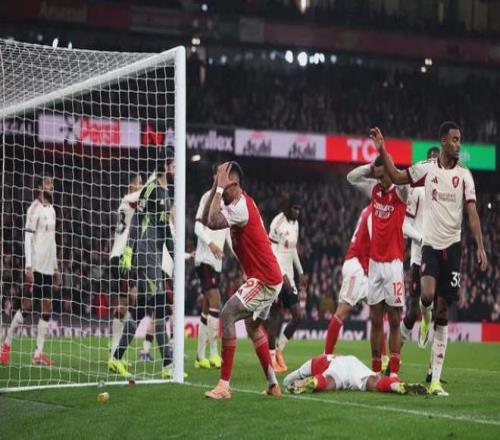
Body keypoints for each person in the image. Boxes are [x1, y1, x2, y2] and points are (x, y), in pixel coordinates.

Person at [371, 123, 488, 396]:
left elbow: (472, 212)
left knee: (443, 311)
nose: (459, 144)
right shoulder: (426, 168)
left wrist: (480, 246)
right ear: (444, 141)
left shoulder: (465, 175)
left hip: (453, 248)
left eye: (460, 140)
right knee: (425, 296)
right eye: (455, 140)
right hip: (430, 245)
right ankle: (425, 318)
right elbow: (398, 176)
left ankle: (435, 380)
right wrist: (383, 150)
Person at [203, 162, 283, 400]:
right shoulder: (237, 203)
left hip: (265, 279)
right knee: (253, 327)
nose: (220, 190)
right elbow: (208, 219)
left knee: (227, 314)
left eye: (224, 185)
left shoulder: (241, 206)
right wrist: (216, 187)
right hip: (265, 276)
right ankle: (273, 384)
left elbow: (213, 221)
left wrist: (218, 189)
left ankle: (224, 385)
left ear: (234, 185)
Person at [108, 154, 176, 379]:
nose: (176, 169)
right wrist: (129, 249)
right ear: (165, 166)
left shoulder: (166, 193)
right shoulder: (151, 188)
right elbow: (137, 218)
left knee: (139, 311)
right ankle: (168, 366)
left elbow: (165, 231)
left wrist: (174, 255)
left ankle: (116, 358)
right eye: (173, 165)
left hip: (155, 255)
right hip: (146, 255)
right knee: (160, 307)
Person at [346, 155, 412, 378]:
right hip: (374, 264)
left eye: (384, 176)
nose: (380, 180)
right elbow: (351, 177)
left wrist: (391, 170)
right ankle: (375, 371)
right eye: (378, 176)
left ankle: (393, 373)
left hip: (393, 265)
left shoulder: (400, 193)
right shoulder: (374, 190)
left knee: (394, 319)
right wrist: (371, 168)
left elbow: (405, 181)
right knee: (375, 319)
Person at [1, 176, 60, 366]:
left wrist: (56, 268)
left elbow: (53, 241)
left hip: (48, 268)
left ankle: (38, 354)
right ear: (40, 187)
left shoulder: (52, 210)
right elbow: (27, 238)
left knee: (47, 307)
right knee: (26, 307)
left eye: (52, 184)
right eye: (48, 184)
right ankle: (6, 345)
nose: (51, 186)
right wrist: (28, 266)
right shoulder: (33, 208)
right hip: (35, 267)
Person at [400, 147, 440, 347]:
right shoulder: (417, 191)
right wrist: (422, 238)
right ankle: (395, 352)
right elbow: (404, 226)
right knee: (413, 309)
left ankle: (434, 366)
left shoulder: (444, 193)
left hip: (439, 255)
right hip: (418, 257)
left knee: (439, 307)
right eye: (431, 161)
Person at [193, 165, 231, 369]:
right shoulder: (207, 198)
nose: (222, 178)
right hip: (205, 258)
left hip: (217, 262)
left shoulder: (226, 204)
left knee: (208, 307)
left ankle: (200, 357)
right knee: (216, 301)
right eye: (220, 174)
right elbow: (197, 226)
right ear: (214, 176)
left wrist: (243, 259)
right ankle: (214, 353)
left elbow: (228, 236)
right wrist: (211, 244)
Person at [266, 194, 306, 373]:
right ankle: (271, 359)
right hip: (277, 275)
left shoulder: (295, 224)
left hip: (290, 275)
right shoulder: (277, 223)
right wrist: (282, 276)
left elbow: (292, 249)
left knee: (298, 316)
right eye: (295, 208)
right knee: (275, 315)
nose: (297, 212)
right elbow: (271, 252)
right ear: (288, 207)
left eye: (299, 209)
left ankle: (279, 350)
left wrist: (301, 271)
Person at [324, 205, 371, 355]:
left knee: (378, 310)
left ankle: (383, 359)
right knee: (343, 310)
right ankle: (327, 355)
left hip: (363, 269)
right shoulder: (374, 213)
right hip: (356, 266)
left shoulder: (368, 210)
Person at [108, 173, 144, 358]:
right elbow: (141, 196)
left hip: (125, 258)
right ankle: (114, 352)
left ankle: (115, 347)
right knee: (124, 305)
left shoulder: (130, 205)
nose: (141, 186)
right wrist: (155, 179)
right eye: (139, 183)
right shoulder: (127, 200)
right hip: (121, 257)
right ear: (131, 186)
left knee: (131, 301)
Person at [283, 354, 427, 395]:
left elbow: (288, 379)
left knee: (328, 381)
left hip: (337, 367)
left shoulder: (313, 362)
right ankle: (396, 385)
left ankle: (310, 382)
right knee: (374, 382)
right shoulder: (326, 357)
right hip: (353, 361)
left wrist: (293, 381)